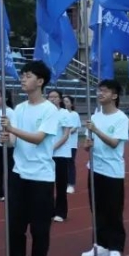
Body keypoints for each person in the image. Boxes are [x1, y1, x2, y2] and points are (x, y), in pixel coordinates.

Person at [0, 60, 60, 256]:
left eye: (28, 76)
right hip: (19, 173)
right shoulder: (20, 109)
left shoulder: (50, 110)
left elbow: (38, 138)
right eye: (22, 75)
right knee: (15, 224)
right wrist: (7, 138)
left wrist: (12, 129)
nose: (23, 79)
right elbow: (15, 141)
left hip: (41, 176)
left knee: (39, 226)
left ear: (40, 81)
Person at [81, 79, 129, 256]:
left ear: (114, 95)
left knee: (113, 210)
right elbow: (88, 144)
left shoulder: (121, 118)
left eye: (105, 91)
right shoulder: (95, 117)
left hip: (112, 171)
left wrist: (96, 130)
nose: (100, 94)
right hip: (95, 169)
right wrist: (87, 145)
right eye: (99, 90)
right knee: (97, 209)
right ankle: (100, 245)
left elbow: (114, 143)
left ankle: (115, 246)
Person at [47, 89, 74, 222]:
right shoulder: (46, 113)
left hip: (60, 154)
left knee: (60, 184)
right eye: (50, 97)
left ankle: (61, 212)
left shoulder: (64, 113)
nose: (52, 99)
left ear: (60, 99)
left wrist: (52, 148)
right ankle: (50, 210)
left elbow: (65, 135)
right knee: (47, 183)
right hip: (47, 154)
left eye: (55, 97)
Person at [62, 95, 79, 194]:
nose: (65, 103)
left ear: (71, 104)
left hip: (71, 144)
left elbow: (74, 128)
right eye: (64, 101)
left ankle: (71, 184)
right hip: (61, 144)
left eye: (67, 101)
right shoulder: (60, 113)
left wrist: (65, 132)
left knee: (70, 164)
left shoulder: (74, 114)